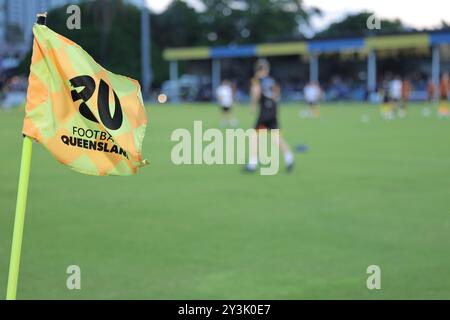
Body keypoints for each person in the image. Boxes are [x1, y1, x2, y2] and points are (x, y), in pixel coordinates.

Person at [245, 59, 294, 173]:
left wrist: (253, 105)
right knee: (276, 136)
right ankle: (289, 158)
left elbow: (256, 92)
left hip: (264, 112)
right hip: (273, 110)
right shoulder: (272, 80)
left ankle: (252, 164)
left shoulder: (257, 80)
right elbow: (277, 94)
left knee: (254, 136)